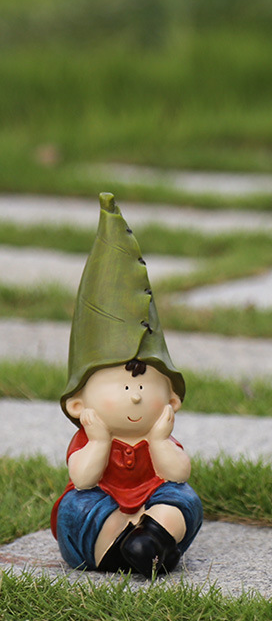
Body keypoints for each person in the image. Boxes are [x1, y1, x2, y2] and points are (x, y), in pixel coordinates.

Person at [51, 194, 202, 577]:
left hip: (152, 505)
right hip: (105, 509)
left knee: (183, 498)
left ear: (172, 399)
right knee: (77, 506)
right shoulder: (90, 438)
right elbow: (83, 478)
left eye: (146, 387)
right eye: (121, 388)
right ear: (77, 405)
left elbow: (178, 472)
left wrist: (159, 441)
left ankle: (150, 543)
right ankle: (131, 551)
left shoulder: (157, 434)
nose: (135, 395)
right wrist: (100, 442)